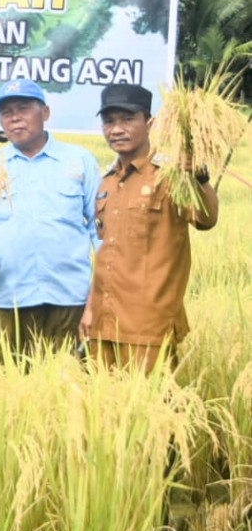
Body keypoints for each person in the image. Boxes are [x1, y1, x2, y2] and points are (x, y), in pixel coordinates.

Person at [80, 84, 219, 374]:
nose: (116, 129)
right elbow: (106, 253)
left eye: (127, 119)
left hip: (148, 327)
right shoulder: (106, 183)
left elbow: (206, 219)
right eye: (109, 121)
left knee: (152, 413)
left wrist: (200, 178)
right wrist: (91, 309)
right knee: (102, 412)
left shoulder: (171, 176)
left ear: (150, 123)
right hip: (102, 323)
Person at [0, 79, 101, 357]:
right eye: (6, 112)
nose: (14, 118)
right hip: (9, 294)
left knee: (69, 383)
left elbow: (101, 231)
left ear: (45, 113)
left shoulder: (79, 160)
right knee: (7, 385)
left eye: (23, 109)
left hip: (70, 296)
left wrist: (99, 298)